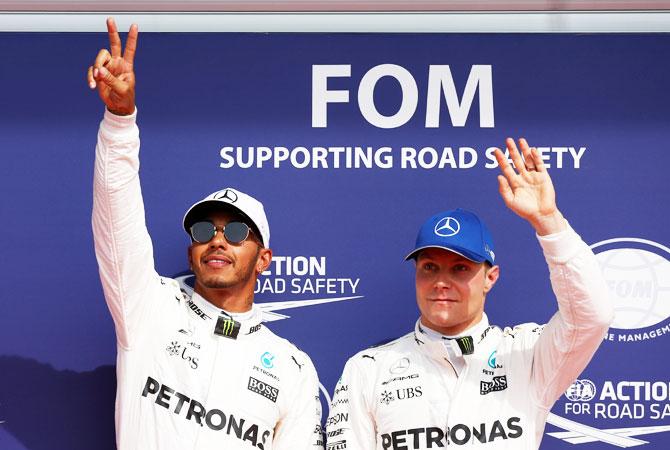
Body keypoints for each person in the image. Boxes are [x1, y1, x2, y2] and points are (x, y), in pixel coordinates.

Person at [88, 18, 323, 450]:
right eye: (203, 229)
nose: (217, 239)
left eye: (236, 231)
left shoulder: (293, 369)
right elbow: (115, 217)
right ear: (191, 248)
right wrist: (120, 121)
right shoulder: (147, 306)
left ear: (264, 257)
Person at [325, 138, 613, 449]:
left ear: (491, 277)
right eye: (430, 268)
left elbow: (592, 316)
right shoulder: (369, 368)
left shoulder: (527, 354)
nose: (441, 282)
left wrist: (548, 221)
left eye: (460, 269)